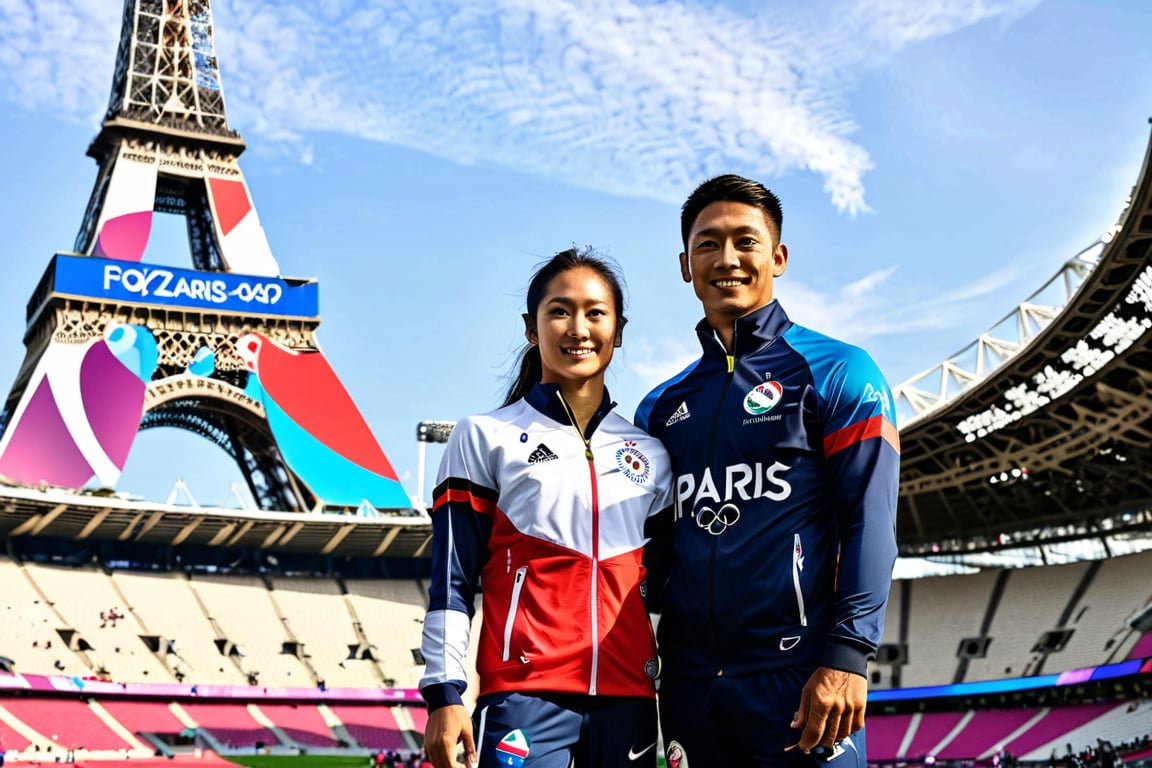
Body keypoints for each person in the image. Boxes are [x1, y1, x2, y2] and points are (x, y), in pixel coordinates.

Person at [635, 175, 900, 768]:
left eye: (745, 241)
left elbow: (870, 521)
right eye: (707, 244)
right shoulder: (657, 408)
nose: (726, 259)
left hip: (801, 684)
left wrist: (848, 655)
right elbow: (651, 550)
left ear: (777, 257)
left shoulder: (839, 372)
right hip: (690, 690)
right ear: (685, 264)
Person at [419, 247, 673, 768]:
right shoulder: (483, 436)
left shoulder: (651, 453)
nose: (578, 327)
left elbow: (674, 583)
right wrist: (444, 694)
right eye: (559, 311)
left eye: (595, 312)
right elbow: (452, 579)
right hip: (523, 695)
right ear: (531, 329)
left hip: (631, 700)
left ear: (618, 330)